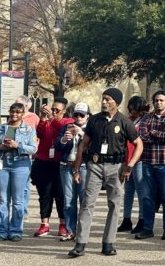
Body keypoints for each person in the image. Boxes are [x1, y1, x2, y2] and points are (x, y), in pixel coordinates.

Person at [69, 88, 143, 257]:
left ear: (116, 103)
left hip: (116, 167)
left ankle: (108, 243)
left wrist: (130, 165)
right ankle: (80, 243)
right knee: (87, 202)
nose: (103, 102)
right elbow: (83, 144)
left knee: (114, 204)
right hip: (94, 165)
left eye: (108, 99)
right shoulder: (94, 120)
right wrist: (77, 168)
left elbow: (139, 144)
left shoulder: (124, 122)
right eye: (103, 99)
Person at [0, 102, 38, 242]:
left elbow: (33, 149)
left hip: (20, 164)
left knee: (17, 200)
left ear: (23, 114)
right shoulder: (0, 128)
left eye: (18, 112)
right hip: (2, 163)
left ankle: (16, 230)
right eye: (12, 111)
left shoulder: (29, 129)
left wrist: (18, 145)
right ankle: (2, 231)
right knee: (3, 200)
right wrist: (0, 147)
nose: (14, 114)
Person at [135, 91, 165, 241]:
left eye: (161, 100)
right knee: (147, 197)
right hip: (148, 162)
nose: (158, 103)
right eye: (156, 100)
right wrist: (161, 133)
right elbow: (143, 136)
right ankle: (148, 228)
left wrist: (153, 132)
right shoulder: (146, 117)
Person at [31, 97, 72, 237]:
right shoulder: (47, 121)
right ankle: (44, 224)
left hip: (60, 162)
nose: (53, 112)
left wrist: (52, 119)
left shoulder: (68, 122)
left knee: (60, 195)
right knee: (45, 194)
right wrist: (43, 118)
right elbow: (39, 134)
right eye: (52, 109)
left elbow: (63, 129)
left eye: (57, 110)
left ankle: (63, 223)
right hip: (44, 160)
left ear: (64, 111)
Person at [55, 103, 90, 241]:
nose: (78, 117)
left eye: (82, 115)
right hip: (66, 166)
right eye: (76, 115)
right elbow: (57, 146)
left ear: (87, 116)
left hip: (83, 167)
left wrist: (82, 134)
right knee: (69, 200)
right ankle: (70, 230)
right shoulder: (66, 127)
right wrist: (64, 139)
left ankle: (82, 232)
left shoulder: (90, 129)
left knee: (84, 200)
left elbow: (93, 146)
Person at [117, 95, 148, 234]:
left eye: (134, 109)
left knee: (141, 191)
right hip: (127, 158)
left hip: (140, 159)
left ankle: (142, 219)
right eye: (130, 109)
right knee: (128, 191)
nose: (131, 112)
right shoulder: (128, 120)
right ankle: (126, 219)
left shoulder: (145, 120)